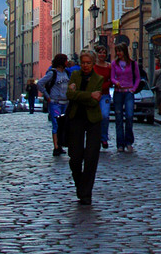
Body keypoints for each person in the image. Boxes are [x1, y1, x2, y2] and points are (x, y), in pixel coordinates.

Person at [66, 49, 103, 205]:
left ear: (93, 63)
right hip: (76, 118)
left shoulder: (98, 79)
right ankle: (80, 184)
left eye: (88, 63)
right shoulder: (74, 76)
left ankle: (86, 193)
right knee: (75, 158)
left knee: (91, 157)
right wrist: (88, 95)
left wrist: (78, 94)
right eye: (83, 63)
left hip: (93, 120)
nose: (85, 66)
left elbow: (95, 101)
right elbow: (69, 95)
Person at [37, 53, 70, 156]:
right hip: (55, 103)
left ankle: (60, 144)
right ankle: (56, 147)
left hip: (65, 102)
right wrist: (47, 96)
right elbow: (40, 83)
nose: (67, 62)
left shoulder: (66, 73)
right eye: (65, 60)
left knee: (63, 125)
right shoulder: (52, 73)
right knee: (56, 124)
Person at [110, 42, 141, 153]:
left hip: (128, 92)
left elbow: (137, 78)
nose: (118, 53)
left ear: (124, 51)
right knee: (118, 118)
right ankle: (120, 144)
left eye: (120, 51)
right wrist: (115, 82)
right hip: (118, 92)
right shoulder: (114, 64)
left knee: (129, 116)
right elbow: (112, 77)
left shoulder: (132, 64)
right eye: (117, 51)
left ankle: (128, 142)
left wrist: (134, 88)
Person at [93, 45, 112, 149]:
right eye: (100, 53)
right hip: (94, 95)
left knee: (104, 116)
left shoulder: (109, 66)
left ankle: (104, 138)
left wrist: (105, 85)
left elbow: (111, 80)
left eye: (104, 53)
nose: (102, 55)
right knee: (94, 118)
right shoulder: (93, 66)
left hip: (104, 95)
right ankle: (94, 138)